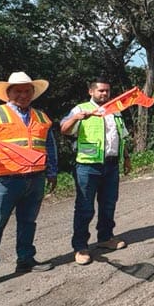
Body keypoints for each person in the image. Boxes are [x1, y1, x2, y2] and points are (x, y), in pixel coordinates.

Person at [0, 72, 57, 294]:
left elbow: (50, 147)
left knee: (28, 223)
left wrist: (52, 172)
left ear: (33, 93)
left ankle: (26, 259)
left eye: (27, 90)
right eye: (17, 90)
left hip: (34, 179)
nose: (23, 95)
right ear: (8, 93)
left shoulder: (42, 117)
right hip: (2, 181)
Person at [60, 77, 130, 265]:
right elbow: (64, 130)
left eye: (107, 91)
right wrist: (76, 118)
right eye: (101, 91)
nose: (105, 94)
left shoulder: (114, 110)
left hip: (111, 165)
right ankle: (81, 246)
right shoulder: (81, 109)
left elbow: (121, 136)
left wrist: (127, 158)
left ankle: (106, 238)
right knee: (85, 207)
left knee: (109, 204)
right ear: (91, 92)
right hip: (87, 166)